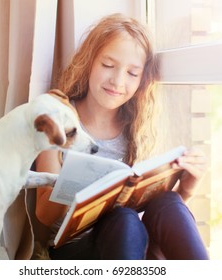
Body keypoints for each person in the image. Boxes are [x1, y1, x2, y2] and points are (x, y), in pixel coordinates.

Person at [34, 13, 209, 260]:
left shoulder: (139, 129)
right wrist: (76, 186)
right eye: (108, 65)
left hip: (131, 245)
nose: (117, 81)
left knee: (167, 202)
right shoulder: (57, 118)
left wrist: (187, 190)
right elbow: (43, 213)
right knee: (123, 218)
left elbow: (148, 212)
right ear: (90, 62)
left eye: (132, 73)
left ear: (142, 80)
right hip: (76, 249)